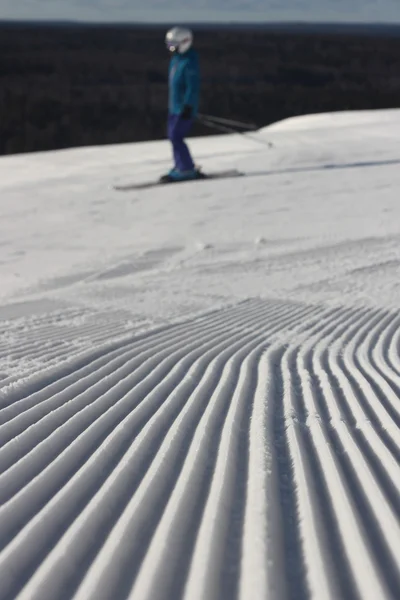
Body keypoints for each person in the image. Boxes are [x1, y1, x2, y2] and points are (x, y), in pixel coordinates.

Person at [161, 26, 203, 183]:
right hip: (174, 106)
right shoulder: (176, 59)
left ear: (184, 42)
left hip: (184, 108)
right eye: (169, 46)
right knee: (172, 136)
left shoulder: (190, 62)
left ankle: (186, 169)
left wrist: (188, 106)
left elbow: (193, 87)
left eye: (173, 45)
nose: (171, 49)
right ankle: (181, 165)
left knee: (176, 136)